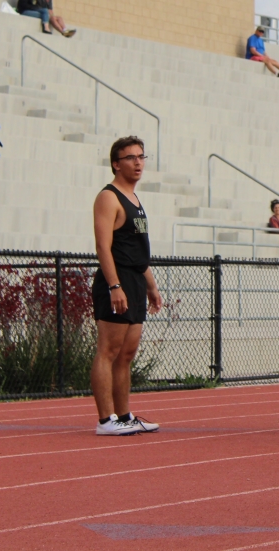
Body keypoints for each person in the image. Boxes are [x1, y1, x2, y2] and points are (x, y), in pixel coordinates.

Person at [90, 136, 163, 436]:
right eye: (131, 157)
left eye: (141, 157)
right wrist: (114, 285)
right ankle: (106, 420)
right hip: (116, 280)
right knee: (109, 350)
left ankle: (124, 415)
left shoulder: (135, 199)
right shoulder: (108, 197)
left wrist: (151, 286)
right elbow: (103, 247)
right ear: (116, 164)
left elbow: (137, 253)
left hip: (134, 280)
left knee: (127, 354)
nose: (138, 162)